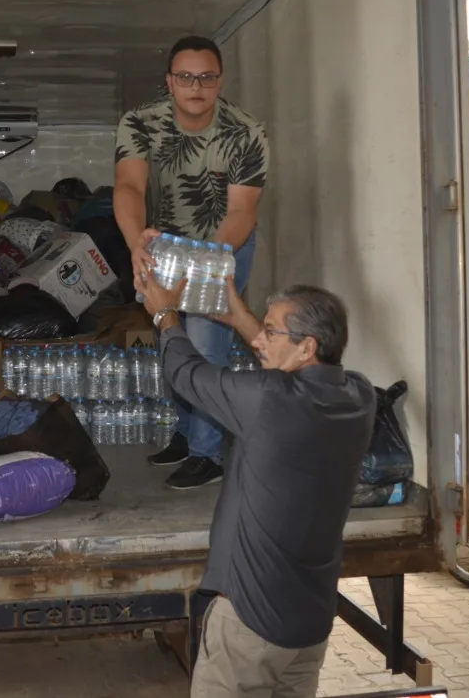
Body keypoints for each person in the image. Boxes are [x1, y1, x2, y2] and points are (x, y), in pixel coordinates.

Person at [136, 270, 377, 698]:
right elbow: (294, 367)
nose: (260, 340)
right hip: (309, 623)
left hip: (250, 622)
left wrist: (165, 315)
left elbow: (187, 373)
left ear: (307, 346)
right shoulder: (359, 395)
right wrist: (241, 318)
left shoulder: (268, 399)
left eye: (270, 331)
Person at [113, 34, 271, 490]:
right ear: (170, 81)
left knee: (204, 344)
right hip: (160, 244)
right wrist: (135, 245)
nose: (195, 86)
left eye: (206, 77)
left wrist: (201, 263)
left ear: (219, 81)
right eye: (185, 77)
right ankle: (185, 433)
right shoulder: (140, 122)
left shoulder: (246, 131)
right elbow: (128, 187)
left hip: (224, 245)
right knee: (170, 336)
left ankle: (207, 452)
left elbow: (243, 211)